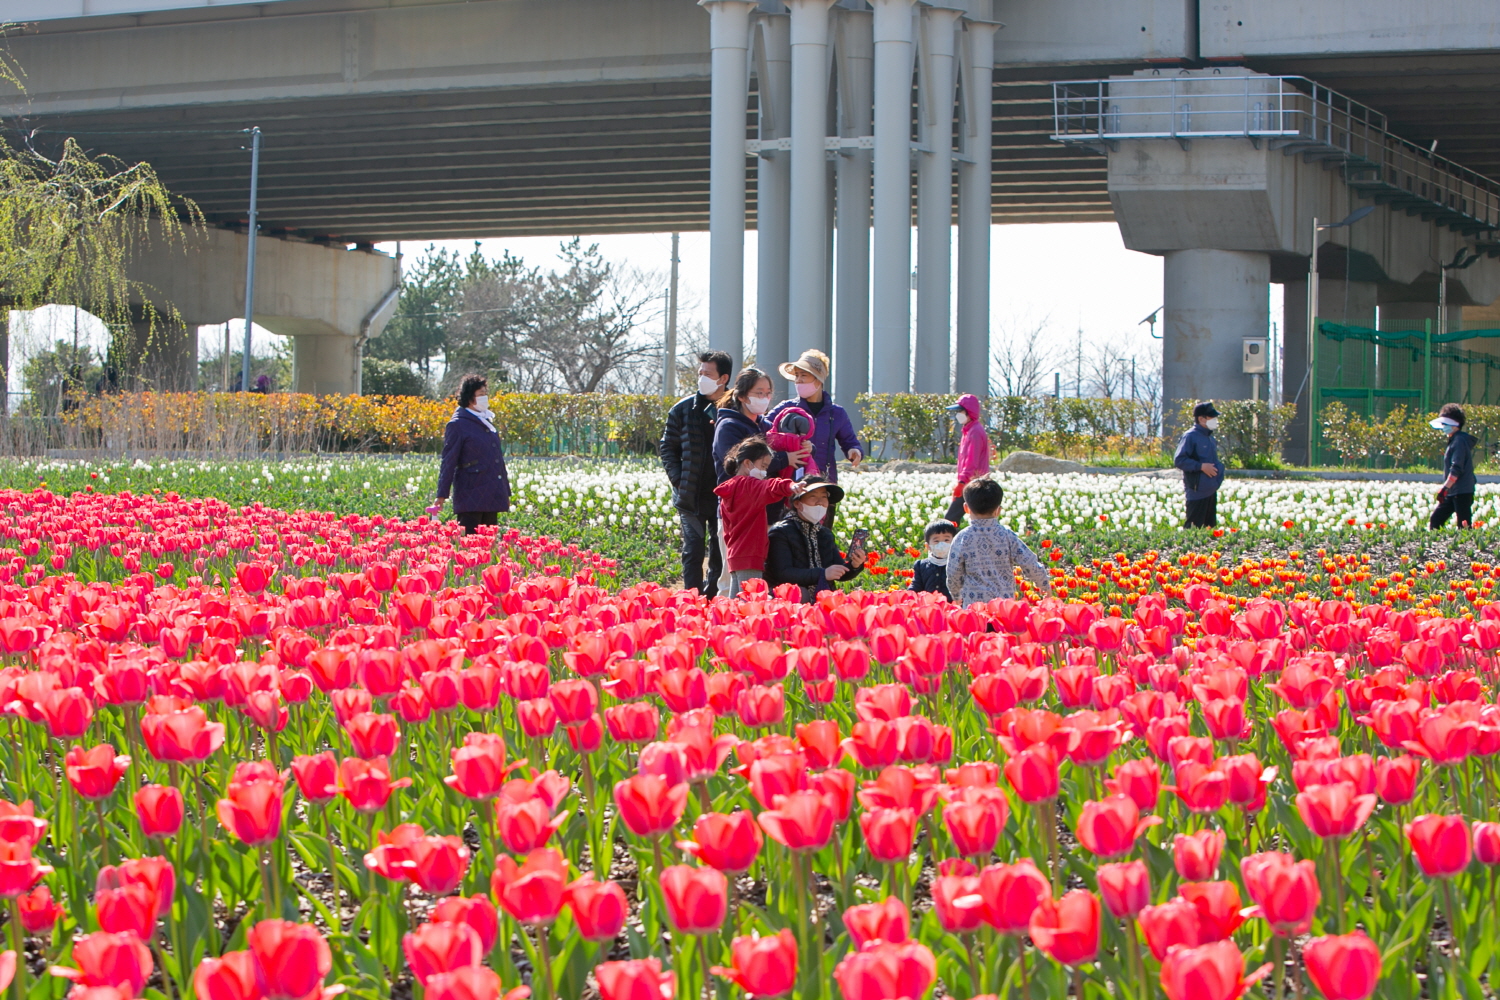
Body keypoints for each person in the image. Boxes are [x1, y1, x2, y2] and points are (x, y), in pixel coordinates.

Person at [712, 367, 811, 595]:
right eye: (759, 393)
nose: (764, 398)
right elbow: (738, 462)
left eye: (768, 393)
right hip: (738, 514)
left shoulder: (765, 426)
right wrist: (785, 458)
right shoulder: (729, 426)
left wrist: (803, 446)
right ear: (742, 396)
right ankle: (721, 625)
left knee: (755, 583)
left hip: (763, 513)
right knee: (731, 580)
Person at [660, 350, 732, 596]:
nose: (701, 377)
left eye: (707, 374)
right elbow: (667, 447)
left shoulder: (734, 410)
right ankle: (691, 599)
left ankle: (713, 596)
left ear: (723, 378)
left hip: (723, 494)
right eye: (700, 372)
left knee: (719, 549)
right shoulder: (682, 410)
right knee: (693, 550)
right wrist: (679, 480)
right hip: (690, 494)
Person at [768, 350, 862, 522]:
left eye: (804, 375)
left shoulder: (836, 413)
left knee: (821, 536)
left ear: (818, 379)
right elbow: (765, 430)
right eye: (797, 376)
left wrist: (854, 451)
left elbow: (849, 440)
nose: (799, 381)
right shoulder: (786, 408)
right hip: (792, 484)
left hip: (823, 485)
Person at [714, 437, 804, 598]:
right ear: (747, 463)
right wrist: (790, 486)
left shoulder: (730, 487)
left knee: (736, 606)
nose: (765, 473)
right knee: (750, 604)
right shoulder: (749, 485)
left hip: (734, 555)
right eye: (763, 466)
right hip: (751, 555)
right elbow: (770, 486)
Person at [945, 477, 1048, 606]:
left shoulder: (962, 538)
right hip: (1003, 606)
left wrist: (956, 595)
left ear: (966, 508)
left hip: (975, 606)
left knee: (978, 627)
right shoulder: (1007, 536)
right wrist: (1043, 584)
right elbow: (1029, 562)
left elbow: (953, 572)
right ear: (998, 510)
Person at [765, 476, 866, 603]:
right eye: (813, 496)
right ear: (797, 503)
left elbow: (837, 570)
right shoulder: (781, 531)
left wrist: (854, 565)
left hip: (821, 594)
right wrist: (822, 574)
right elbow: (783, 573)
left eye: (824, 497)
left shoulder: (824, 533)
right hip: (790, 598)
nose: (820, 502)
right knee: (802, 594)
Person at [432, 374, 511, 534]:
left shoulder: (485, 421)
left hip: (491, 490)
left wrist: (504, 490)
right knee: (470, 543)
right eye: (481, 395)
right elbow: (449, 461)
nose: (485, 398)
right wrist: (442, 494)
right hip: (471, 493)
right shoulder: (458, 424)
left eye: (485, 394)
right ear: (469, 397)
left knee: (489, 543)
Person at [1173, 401, 1224, 528]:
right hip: (1197, 491)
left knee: (1209, 531)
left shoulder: (1210, 438)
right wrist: (1201, 466)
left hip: (1211, 490)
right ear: (1201, 419)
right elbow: (1179, 460)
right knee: (1193, 529)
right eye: (1212, 417)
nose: (1215, 420)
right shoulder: (1190, 436)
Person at [945, 393, 990, 526]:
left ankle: (946, 545)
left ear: (969, 412)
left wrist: (962, 482)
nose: (958, 415)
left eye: (960, 411)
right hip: (972, 482)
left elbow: (972, 461)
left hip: (973, 484)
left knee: (950, 521)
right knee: (978, 521)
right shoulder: (969, 430)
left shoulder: (975, 432)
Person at [1430, 403, 1476, 529]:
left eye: (1446, 424)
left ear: (1456, 425)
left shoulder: (1459, 441)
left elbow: (1457, 468)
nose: (1443, 427)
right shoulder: (1455, 440)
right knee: (1436, 520)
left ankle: (1466, 547)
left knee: (1464, 525)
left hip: (1461, 491)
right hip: (1453, 491)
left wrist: (1445, 488)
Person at [909, 520, 957, 600]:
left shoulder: (958, 564)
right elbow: (916, 586)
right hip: (929, 608)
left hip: (952, 608)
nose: (942, 544)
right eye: (936, 541)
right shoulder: (921, 566)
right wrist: (909, 596)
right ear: (928, 546)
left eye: (946, 540)